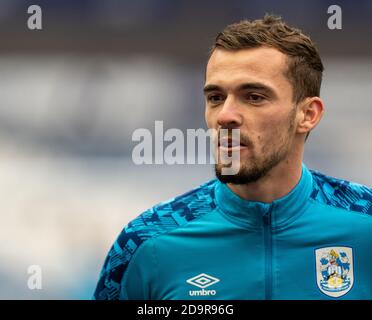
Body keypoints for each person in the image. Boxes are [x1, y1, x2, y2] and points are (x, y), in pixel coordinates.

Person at [93, 15, 372, 300]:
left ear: (307, 114)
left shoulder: (364, 221)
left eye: (253, 97)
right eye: (215, 97)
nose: (225, 115)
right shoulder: (147, 242)